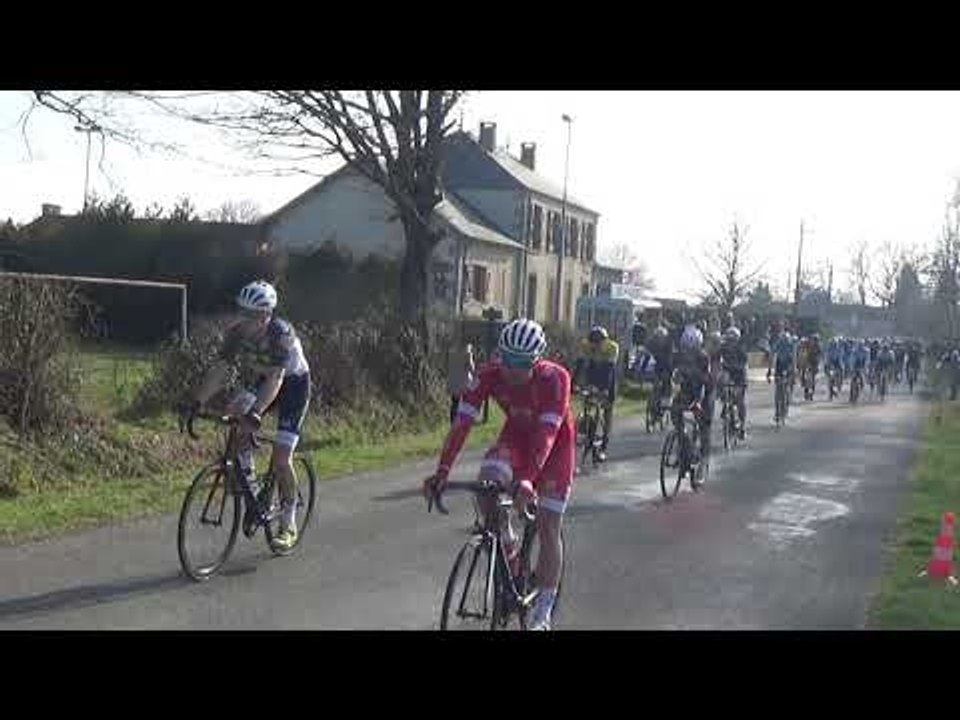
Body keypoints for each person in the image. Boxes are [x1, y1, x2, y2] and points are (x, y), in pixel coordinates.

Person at [423, 319, 573, 631]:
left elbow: (547, 435)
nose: (512, 369)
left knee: (548, 525)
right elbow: (461, 425)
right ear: (498, 355)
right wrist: (442, 472)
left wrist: (529, 479)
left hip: (554, 447)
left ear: (537, 359)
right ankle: (511, 553)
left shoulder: (555, 379)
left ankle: (543, 610)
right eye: (506, 359)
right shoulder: (488, 375)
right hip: (516, 437)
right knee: (486, 483)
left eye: (521, 362)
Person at [191, 280, 311, 551]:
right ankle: (254, 489)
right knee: (234, 414)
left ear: (266, 315)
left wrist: (256, 412)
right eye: (241, 311)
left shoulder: (282, 334)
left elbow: (277, 378)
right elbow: (220, 369)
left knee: (281, 457)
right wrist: (197, 402)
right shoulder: (236, 333)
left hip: (292, 385)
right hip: (262, 379)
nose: (244, 319)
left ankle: (288, 522)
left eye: (251, 315)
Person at [573, 326, 620, 462]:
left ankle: (603, 447)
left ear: (603, 342)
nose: (595, 347)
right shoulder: (586, 345)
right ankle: (587, 427)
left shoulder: (612, 348)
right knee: (588, 402)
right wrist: (572, 384)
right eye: (592, 344)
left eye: (597, 344)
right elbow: (580, 365)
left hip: (607, 379)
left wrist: (605, 389)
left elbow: (609, 371)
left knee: (606, 413)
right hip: (593, 375)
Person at [671, 325, 714, 464]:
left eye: (692, 350)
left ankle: (704, 457)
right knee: (675, 413)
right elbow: (675, 378)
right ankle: (684, 446)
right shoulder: (679, 356)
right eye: (685, 349)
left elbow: (706, 382)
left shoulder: (703, 358)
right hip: (687, 390)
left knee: (703, 425)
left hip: (704, 392)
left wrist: (698, 402)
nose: (688, 353)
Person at [719, 326, 748, 439]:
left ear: (737, 340)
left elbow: (745, 365)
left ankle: (742, 426)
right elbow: (716, 359)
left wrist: (743, 382)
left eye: (733, 340)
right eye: (729, 340)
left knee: (740, 400)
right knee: (721, 383)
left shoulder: (741, 349)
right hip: (728, 372)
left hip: (740, 375)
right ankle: (725, 403)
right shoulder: (723, 348)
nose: (730, 342)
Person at [447, 339, 476, 425]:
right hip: (464, 382)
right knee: (466, 402)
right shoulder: (467, 354)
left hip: (453, 380)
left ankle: (453, 421)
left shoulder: (451, 352)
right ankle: (463, 421)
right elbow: (471, 368)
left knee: (455, 403)